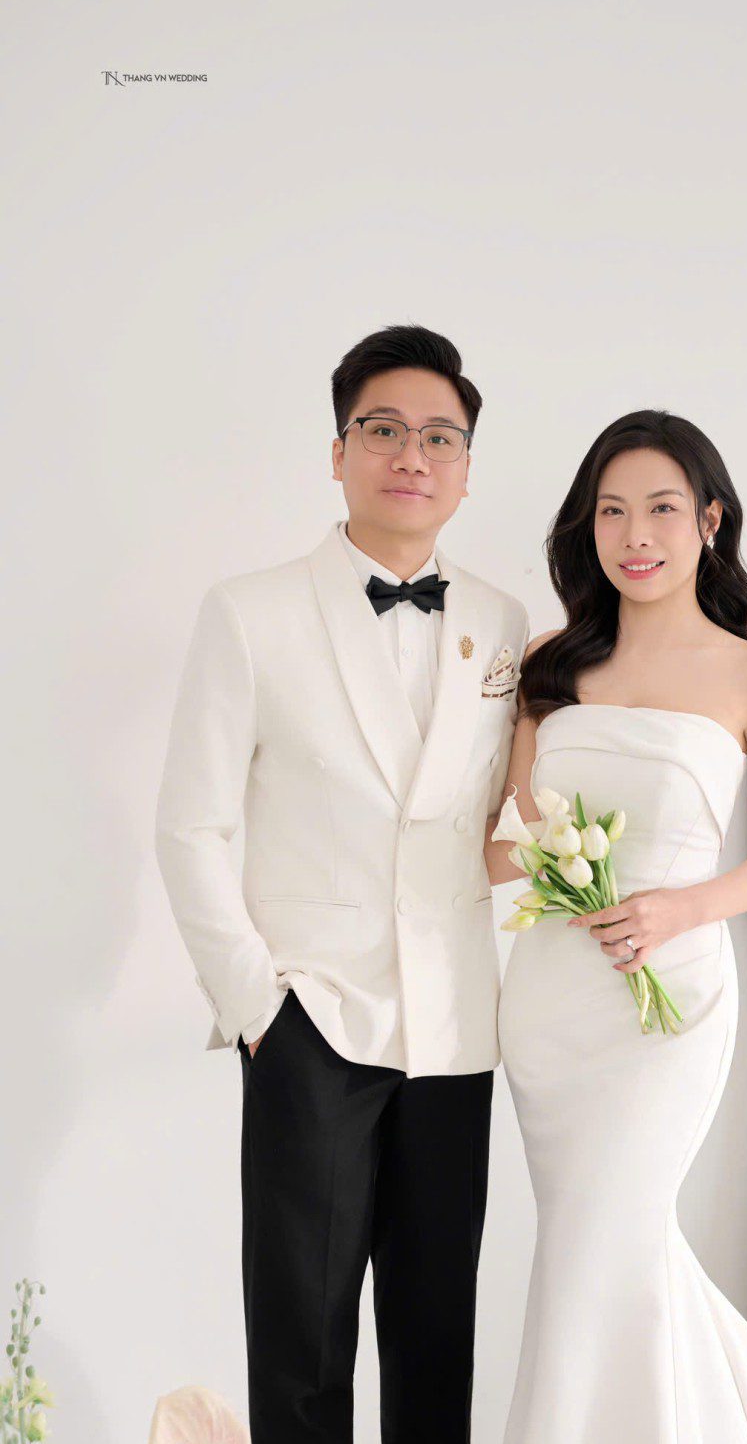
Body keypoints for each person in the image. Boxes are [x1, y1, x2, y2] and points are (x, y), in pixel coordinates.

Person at [154, 324, 529, 1444]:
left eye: (439, 437)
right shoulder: (250, 612)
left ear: (465, 468)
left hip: (456, 1029)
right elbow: (190, 826)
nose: (412, 455)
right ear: (338, 451)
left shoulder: (502, 624)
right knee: (303, 1354)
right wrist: (260, 1010)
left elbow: (485, 827)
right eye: (384, 430)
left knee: (436, 1347)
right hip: (310, 1020)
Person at [488, 410, 747, 1441]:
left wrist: (677, 907)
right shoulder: (550, 662)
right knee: (602, 1249)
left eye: (659, 508)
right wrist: (549, 869)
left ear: (710, 520)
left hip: (670, 1002)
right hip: (555, 1001)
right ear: (588, 527)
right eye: (611, 512)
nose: (634, 535)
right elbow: (507, 839)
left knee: (607, 1240)